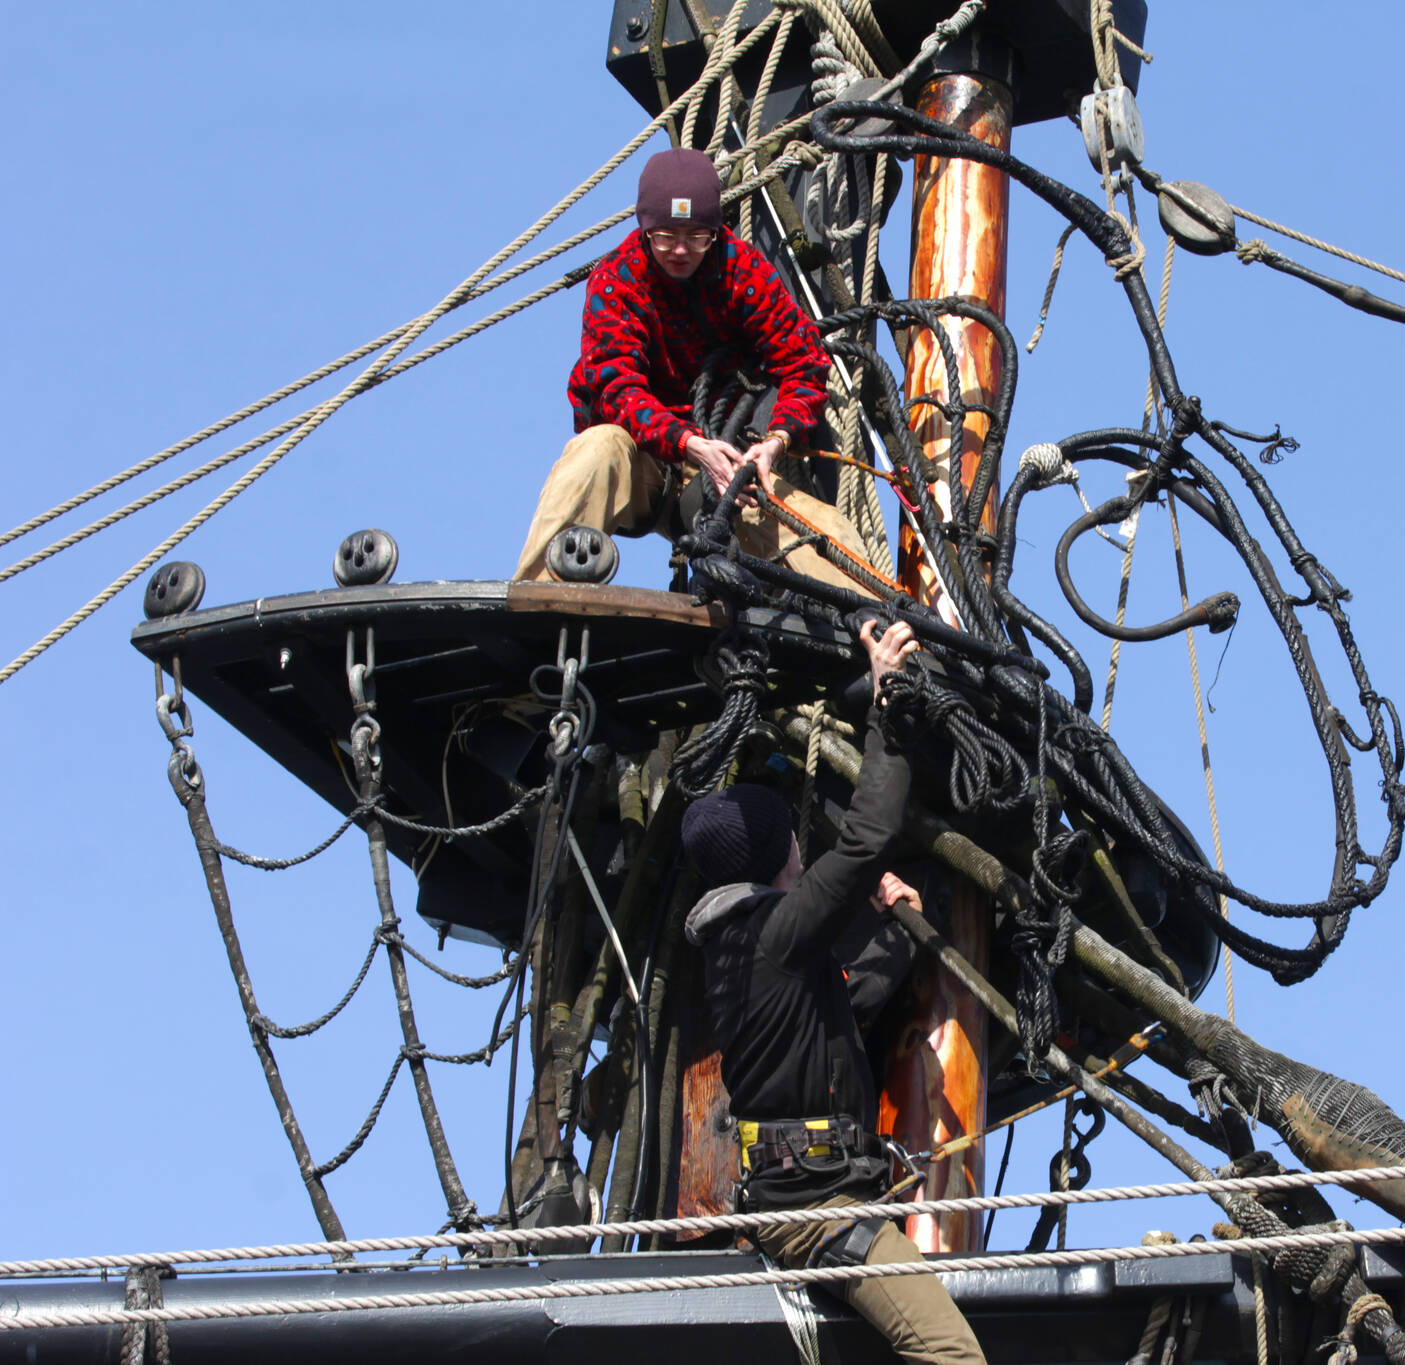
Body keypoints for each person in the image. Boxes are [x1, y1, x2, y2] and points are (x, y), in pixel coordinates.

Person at [679, 620, 984, 1365]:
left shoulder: (747, 946)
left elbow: (832, 1013)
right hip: (819, 1214)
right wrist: (887, 702)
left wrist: (882, 922)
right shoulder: (776, 935)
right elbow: (868, 837)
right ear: (776, 853)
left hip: (810, 1195)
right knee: (952, 1356)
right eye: (790, 835)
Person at [514, 146, 867, 589]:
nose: (680, 250)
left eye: (697, 236)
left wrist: (775, 442)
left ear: (715, 232)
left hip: (722, 466)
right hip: (640, 459)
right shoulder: (617, 280)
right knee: (595, 450)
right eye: (665, 235)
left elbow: (804, 365)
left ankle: (885, 637)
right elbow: (615, 388)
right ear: (644, 229)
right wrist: (687, 442)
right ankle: (537, 595)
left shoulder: (743, 273)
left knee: (825, 532)